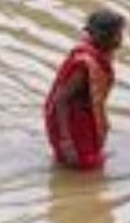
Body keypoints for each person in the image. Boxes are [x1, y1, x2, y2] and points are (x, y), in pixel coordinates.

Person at [44, 9, 125, 170]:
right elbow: (61, 99)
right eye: (117, 34)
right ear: (104, 37)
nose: (120, 39)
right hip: (70, 120)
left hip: (84, 116)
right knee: (84, 166)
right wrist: (66, 140)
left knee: (87, 163)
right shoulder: (83, 64)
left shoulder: (100, 53)